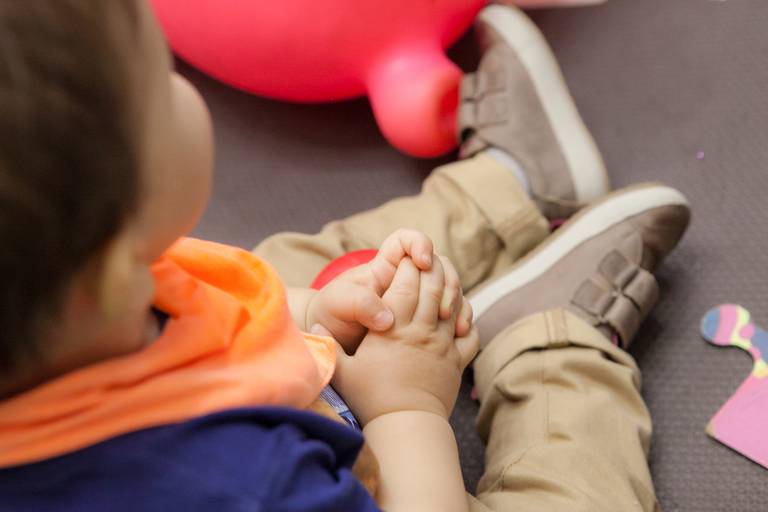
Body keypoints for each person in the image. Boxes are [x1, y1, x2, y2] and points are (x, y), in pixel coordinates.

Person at [0, 3, 689, 512]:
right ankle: (551, 347)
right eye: (160, 78)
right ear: (116, 271)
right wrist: (405, 406)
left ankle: (505, 192)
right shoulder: (240, 483)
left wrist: (315, 314)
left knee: (281, 265)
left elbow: (211, 287)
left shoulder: (73, 285)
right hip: (369, 483)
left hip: (268, 387)